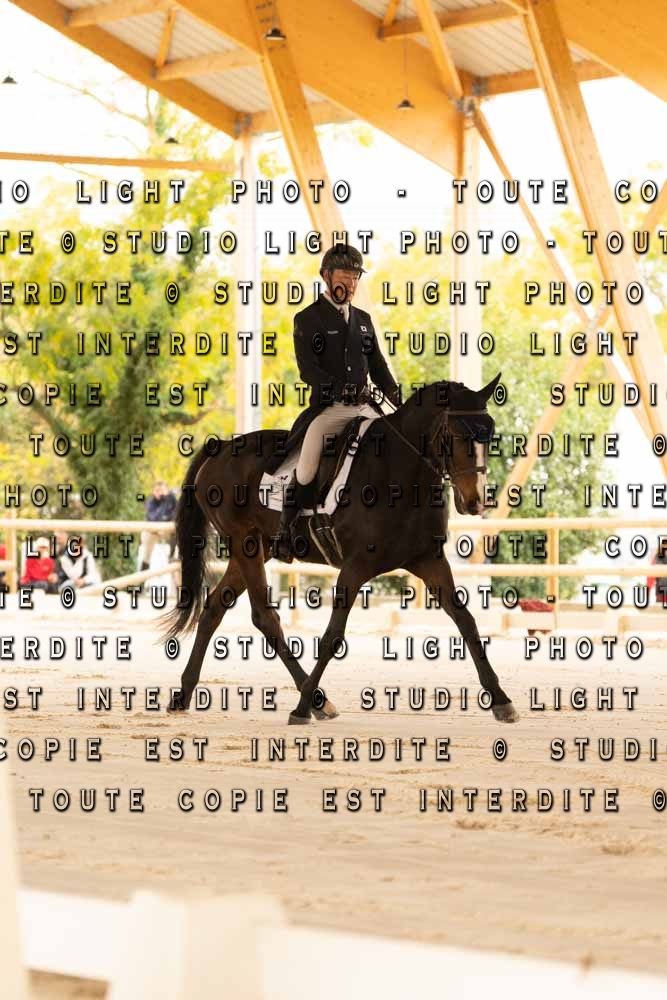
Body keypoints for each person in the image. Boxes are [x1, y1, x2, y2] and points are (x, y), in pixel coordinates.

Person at [272, 244, 400, 562]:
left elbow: (378, 366)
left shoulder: (363, 320)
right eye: (345, 275)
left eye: (355, 277)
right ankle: (285, 531)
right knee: (309, 456)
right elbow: (308, 370)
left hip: (366, 406)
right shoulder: (308, 318)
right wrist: (343, 390)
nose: (351, 283)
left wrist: (398, 399)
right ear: (326, 276)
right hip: (330, 408)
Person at [140, 480, 177, 571]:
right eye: (157, 490)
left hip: (166, 529)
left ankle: (171, 556)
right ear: (153, 492)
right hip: (151, 531)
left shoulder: (171, 498)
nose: (160, 493)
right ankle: (143, 575)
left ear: (167, 490)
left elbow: (176, 513)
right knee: (147, 556)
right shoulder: (150, 501)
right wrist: (164, 502)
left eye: (162, 490)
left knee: (178, 532)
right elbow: (155, 518)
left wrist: (168, 517)